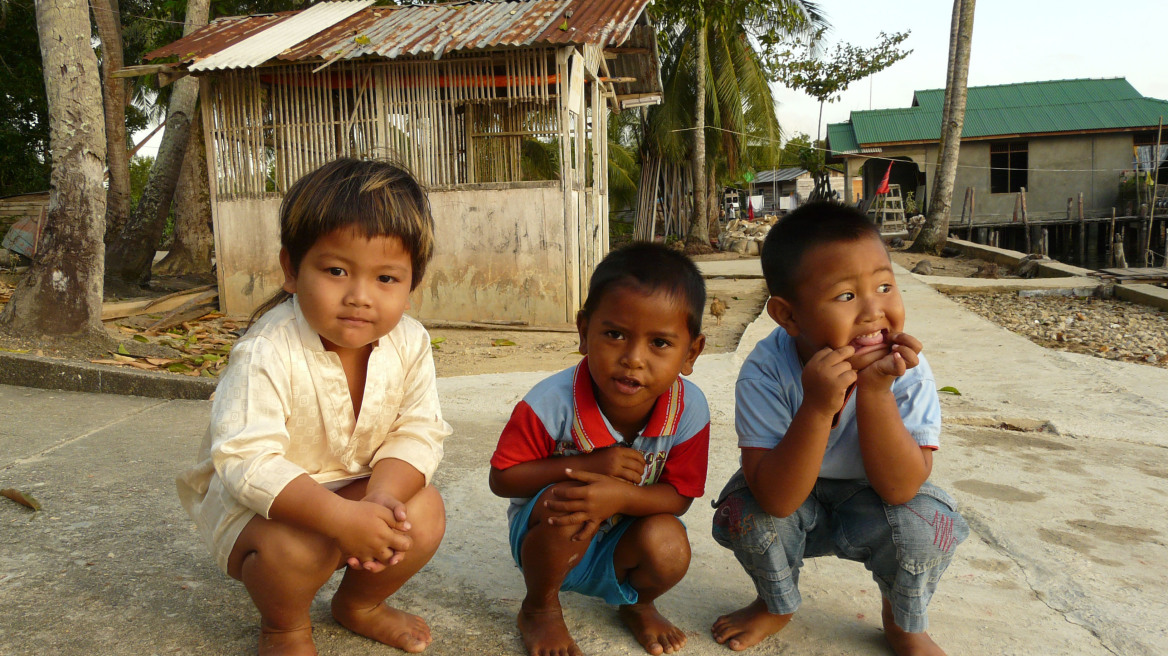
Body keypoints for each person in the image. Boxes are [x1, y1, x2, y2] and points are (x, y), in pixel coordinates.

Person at [177, 158, 450, 656]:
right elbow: (246, 461)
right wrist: (341, 521)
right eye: (336, 270)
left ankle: (360, 605)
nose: (359, 297)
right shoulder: (267, 348)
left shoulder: (411, 343)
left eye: (387, 278)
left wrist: (379, 502)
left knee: (423, 512)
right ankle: (284, 627)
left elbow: (418, 430)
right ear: (291, 269)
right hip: (265, 507)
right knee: (297, 548)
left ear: (412, 286)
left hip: (356, 489)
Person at [709, 201, 968, 655]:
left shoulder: (908, 369)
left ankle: (902, 621)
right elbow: (775, 498)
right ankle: (776, 603)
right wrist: (816, 406)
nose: (873, 311)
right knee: (744, 515)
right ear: (788, 316)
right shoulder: (765, 372)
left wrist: (874, 393)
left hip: (874, 501)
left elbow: (902, 488)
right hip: (793, 498)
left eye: (885, 286)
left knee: (930, 523)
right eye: (846, 296)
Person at [489, 243, 711, 656]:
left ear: (691, 353)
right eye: (614, 335)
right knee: (572, 501)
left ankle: (635, 604)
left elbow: (679, 497)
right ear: (583, 332)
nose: (632, 358)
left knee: (670, 545)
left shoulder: (688, 409)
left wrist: (622, 496)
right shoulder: (551, 401)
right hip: (548, 537)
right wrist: (587, 466)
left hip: (623, 541)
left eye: (660, 343)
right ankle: (539, 608)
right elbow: (503, 478)